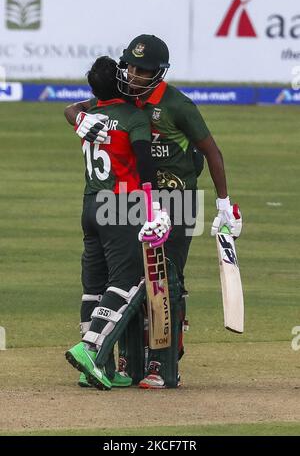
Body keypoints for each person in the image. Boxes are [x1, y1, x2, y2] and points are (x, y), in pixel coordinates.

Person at [64, 35, 242, 389]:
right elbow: (74, 108)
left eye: (142, 70)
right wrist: (77, 120)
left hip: (176, 202)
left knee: (166, 281)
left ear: (158, 73)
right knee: (130, 277)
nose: (133, 74)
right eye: (130, 66)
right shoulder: (123, 98)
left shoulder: (178, 105)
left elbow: (212, 151)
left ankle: (162, 364)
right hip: (133, 205)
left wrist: (223, 204)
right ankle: (129, 359)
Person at [64, 55, 170, 390]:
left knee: (93, 287)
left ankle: (95, 369)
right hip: (120, 204)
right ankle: (91, 349)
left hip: (90, 204)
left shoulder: (91, 112)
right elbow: (145, 162)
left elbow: (72, 108)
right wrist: (154, 207)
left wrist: (77, 114)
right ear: (119, 81)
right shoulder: (132, 116)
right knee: (127, 280)